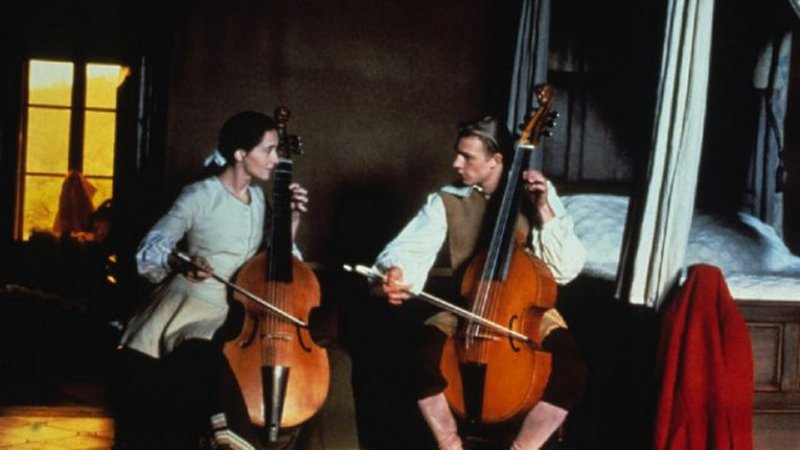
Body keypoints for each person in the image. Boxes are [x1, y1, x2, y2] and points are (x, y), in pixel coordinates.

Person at [371, 115, 588, 450]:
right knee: (420, 355)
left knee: (571, 369)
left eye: (467, 156)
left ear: (495, 160)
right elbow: (411, 247)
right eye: (457, 153)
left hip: (527, 311)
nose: (455, 163)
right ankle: (449, 442)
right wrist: (399, 271)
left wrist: (544, 210)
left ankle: (524, 447)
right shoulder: (447, 200)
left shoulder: (537, 193)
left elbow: (565, 269)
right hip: (469, 305)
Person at [110, 111, 309, 450]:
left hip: (236, 309)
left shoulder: (259, 200)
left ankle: (233, 438)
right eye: (268, 150)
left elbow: (274, 261)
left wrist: (290, 221)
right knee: (204, 356)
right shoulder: (199, 195)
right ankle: (235, 439)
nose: (276, 160)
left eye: (277, 150)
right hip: (191, 306)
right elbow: (150, 249)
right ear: (240, 154)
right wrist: (180, 261)